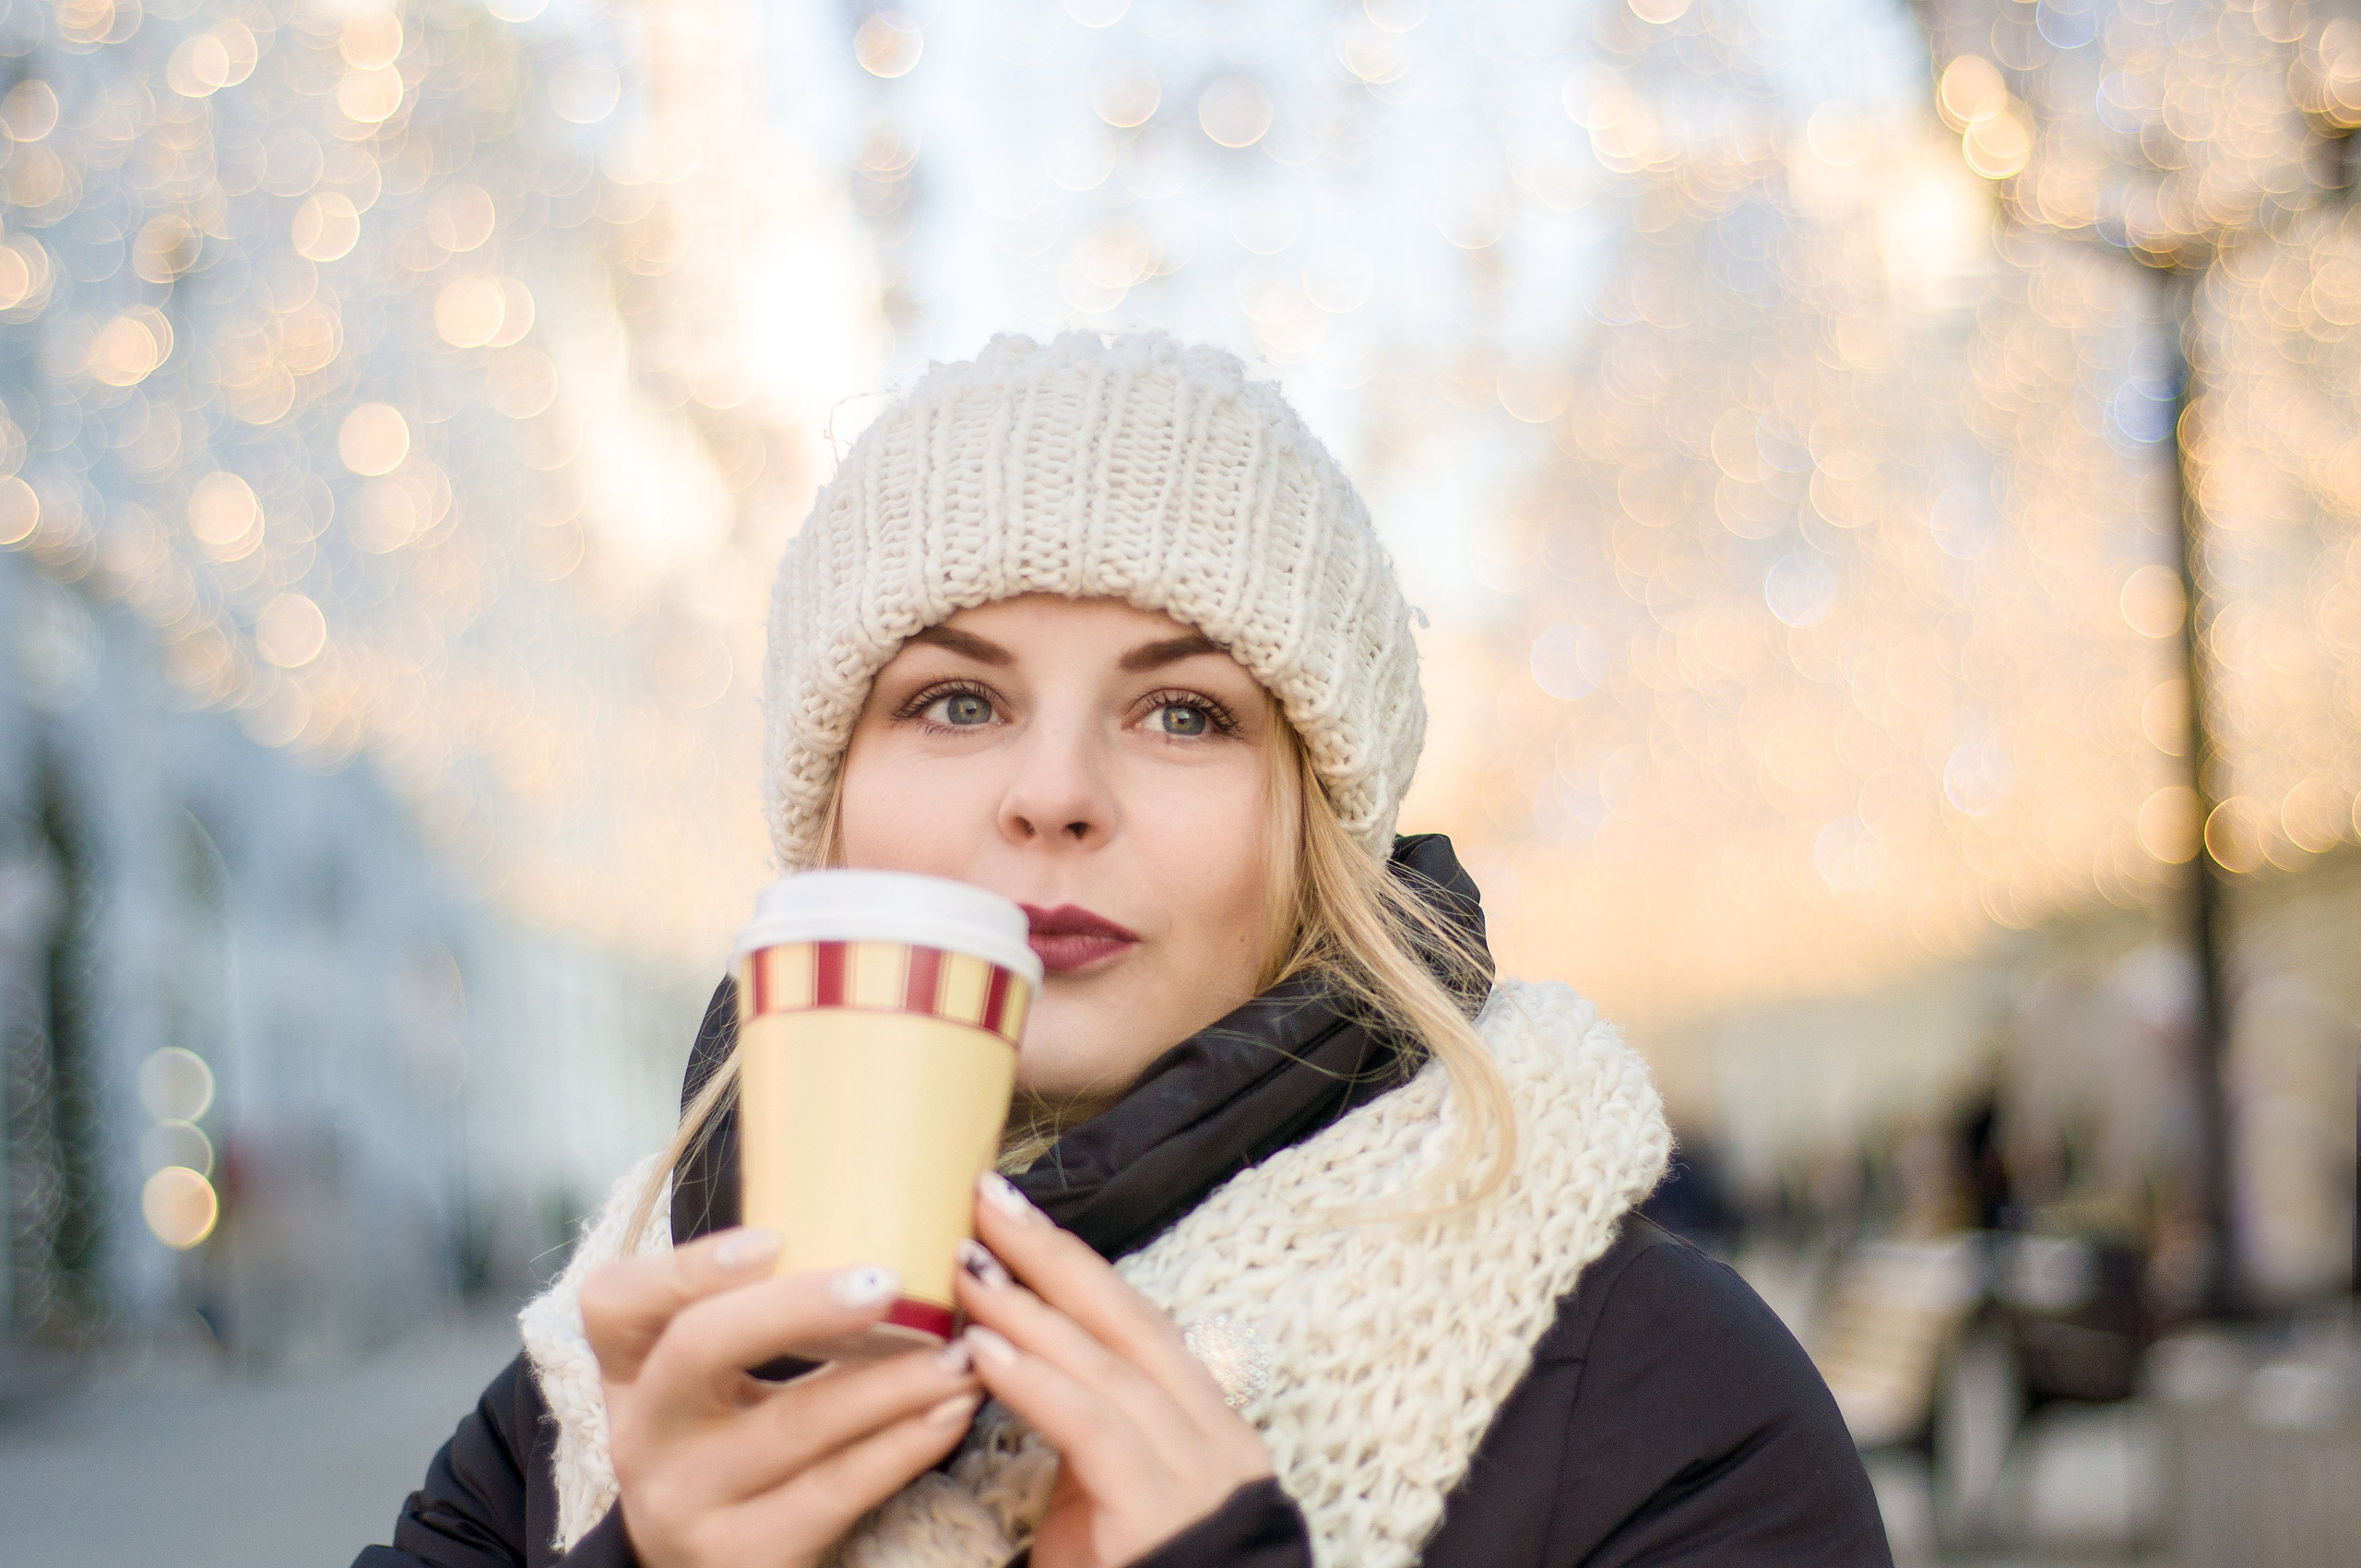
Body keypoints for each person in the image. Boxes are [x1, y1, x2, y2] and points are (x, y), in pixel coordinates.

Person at [356, 333, 1891, 1568]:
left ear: (1319, 829)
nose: (1054, 796)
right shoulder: (602, 1387)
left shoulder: (1654, 1390)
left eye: (1185, 714)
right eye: (956, 702)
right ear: (831, 812)